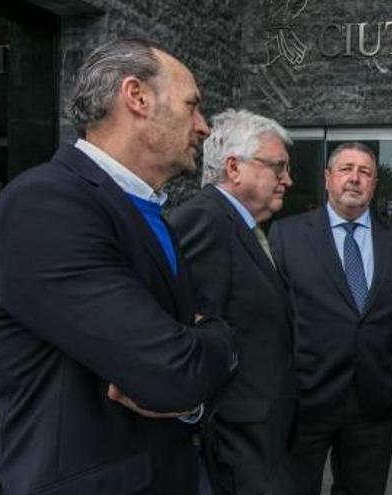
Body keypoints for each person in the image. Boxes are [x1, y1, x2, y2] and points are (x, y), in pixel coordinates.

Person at [0, 38, 238, 495]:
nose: (203, 126)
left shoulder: (148, 211)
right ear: (136, 97)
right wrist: (223, 339)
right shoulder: (45, 205)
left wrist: (195, 368)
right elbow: (171, 372)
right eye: (192, 105)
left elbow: (180, 369)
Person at [268, 142, 392, 495]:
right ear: (327, 178)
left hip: (375, 402)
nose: (354, 179)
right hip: (306, 399)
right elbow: (276, 318)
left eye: (365, 172)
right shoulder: (287, 235)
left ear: (375, 182)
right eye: (345, 169)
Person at [169, 108, 296, 495]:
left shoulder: (244, 227)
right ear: (234, 168)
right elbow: (191, 333)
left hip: (254, 438)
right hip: (229, 445)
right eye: (278, 167)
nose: (288, 180)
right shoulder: (204, 222)